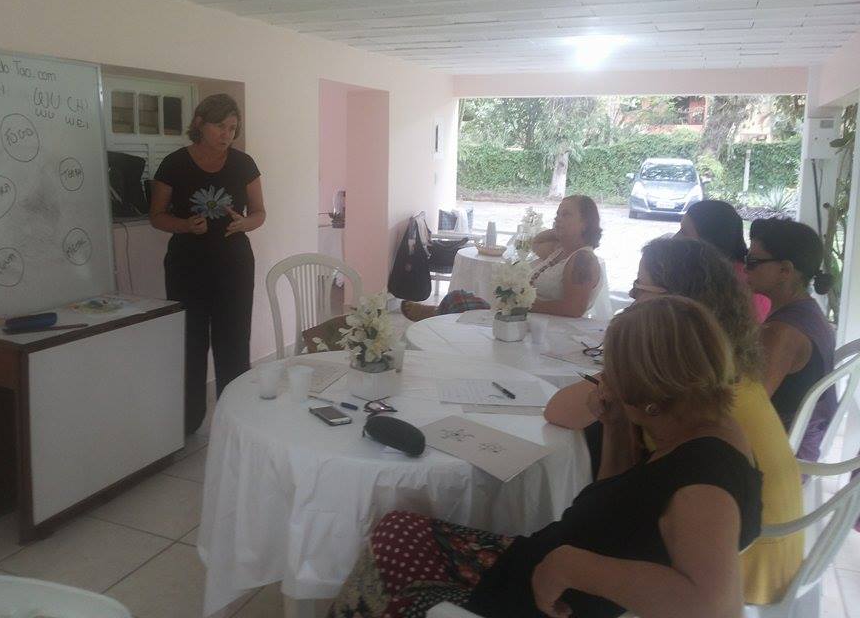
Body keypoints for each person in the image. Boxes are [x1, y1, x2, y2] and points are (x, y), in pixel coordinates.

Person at [328, 296, 762, 618]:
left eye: (611, 372)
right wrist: (615, 426)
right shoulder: (706, 424)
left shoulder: (703, 486)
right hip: (549, 566)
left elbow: (716, 609)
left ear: (649, 397)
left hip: (542, 600)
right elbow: (622, 506)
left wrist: (572, 566)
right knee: (398, 526)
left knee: (393, 546)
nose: (604, 380)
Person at [544, 237, 802, 604]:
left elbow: (558, 411)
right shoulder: (719, 373)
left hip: (741, 565)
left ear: (673, 305)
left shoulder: (682, 398)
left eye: (639, 289)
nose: (630, 300)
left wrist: (567, 565)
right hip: (771, 546)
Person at [149, 94, 265, 434]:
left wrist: (245, 223)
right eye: (220, 126)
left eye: (233, 128)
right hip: (187, 267)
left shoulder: (244, 164)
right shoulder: (174, 164)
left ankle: (235, 420)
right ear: (200, 123)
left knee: (234, 342)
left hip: (234, 266)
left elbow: (259, 213)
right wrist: (185, 225)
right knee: (191, 341)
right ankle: (189, 421)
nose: (227, 134)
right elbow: (157, 216)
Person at [401, 195, 603, 321]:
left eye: (566, 215)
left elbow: (574, 309)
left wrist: (522, 306)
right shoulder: (558, 250)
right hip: (525, 315)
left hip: (543, 323)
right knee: (459, 297)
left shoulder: (583, 260)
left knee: (461, 304)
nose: (558, 219)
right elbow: (536, 242)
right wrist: (560, 231)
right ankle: (437, 313)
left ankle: (435, 315)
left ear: (585, 223)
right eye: (557, 214)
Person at [746, 218, 835, 461]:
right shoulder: (808, 309)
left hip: (784, 451)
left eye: (753, 262)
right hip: (806, 437)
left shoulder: (782, 332)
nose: (745, 269)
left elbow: (750, 405)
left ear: (785, 270)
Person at [677, 199, 771, 321]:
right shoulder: (704, 270)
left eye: (684, 232)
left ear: (709, 240)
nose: (676, 237)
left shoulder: (744, 285)